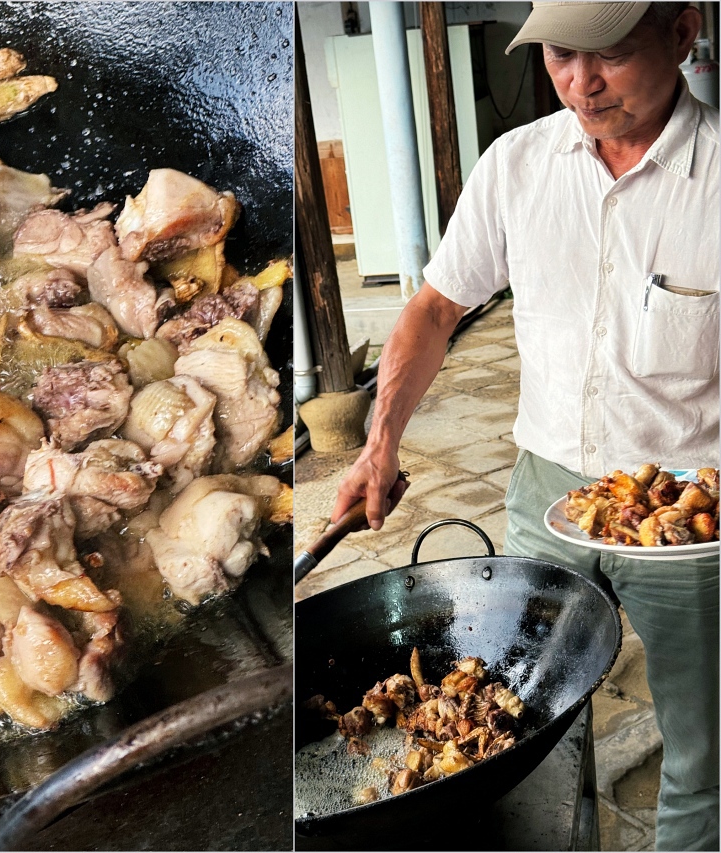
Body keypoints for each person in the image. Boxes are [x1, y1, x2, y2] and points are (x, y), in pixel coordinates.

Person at [331, 2, 719, 848]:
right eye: (557, 54)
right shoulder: (518, 163)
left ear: (681, 32)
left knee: (706, 747)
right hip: (546, 488)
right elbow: (435, 308)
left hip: (690, 511)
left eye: (607, 54)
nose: (578, 83)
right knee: (519, 710)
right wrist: (381, 442)